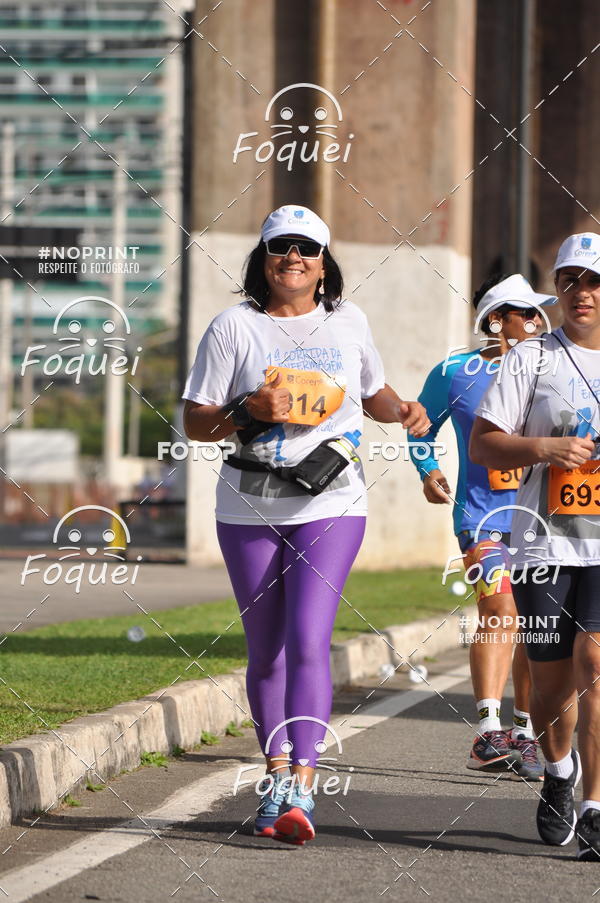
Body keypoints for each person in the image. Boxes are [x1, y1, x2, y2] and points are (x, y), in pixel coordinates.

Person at [182, 204, 430, 845]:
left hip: (332, 501)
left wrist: (401, 408)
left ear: (325, 265)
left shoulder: (348, 322)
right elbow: (194, 421)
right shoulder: (233, 328)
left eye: (307, 249)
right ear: (262, 261)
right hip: (249, 504)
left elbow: (371, 390)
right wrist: (246, 408)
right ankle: (273, 775)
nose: (293, 258)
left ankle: (302, 782)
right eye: (280, 247)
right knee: (266, 650)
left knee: (310, 639)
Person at [470, 233, 600, 860]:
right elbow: (484, 445)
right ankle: (558, 773)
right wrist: (544, 449)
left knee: (597, 663)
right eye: (571, 280)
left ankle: (598, 806)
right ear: (558, 290)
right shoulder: (532, 357)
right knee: (551, 688)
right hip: (543, 542)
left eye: (595, 280)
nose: (584, 292)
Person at [409, 273, 556, 779]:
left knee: (538, 623)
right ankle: (487, 731)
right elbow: (419, 426)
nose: (538, 322)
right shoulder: (456, 370)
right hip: (481, 518)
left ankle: (523, 729)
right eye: (527, 313)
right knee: (501, 606)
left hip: (546, 521)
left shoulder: (558, 368)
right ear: (496, 320)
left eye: (540, 314)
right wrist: (428, 472)